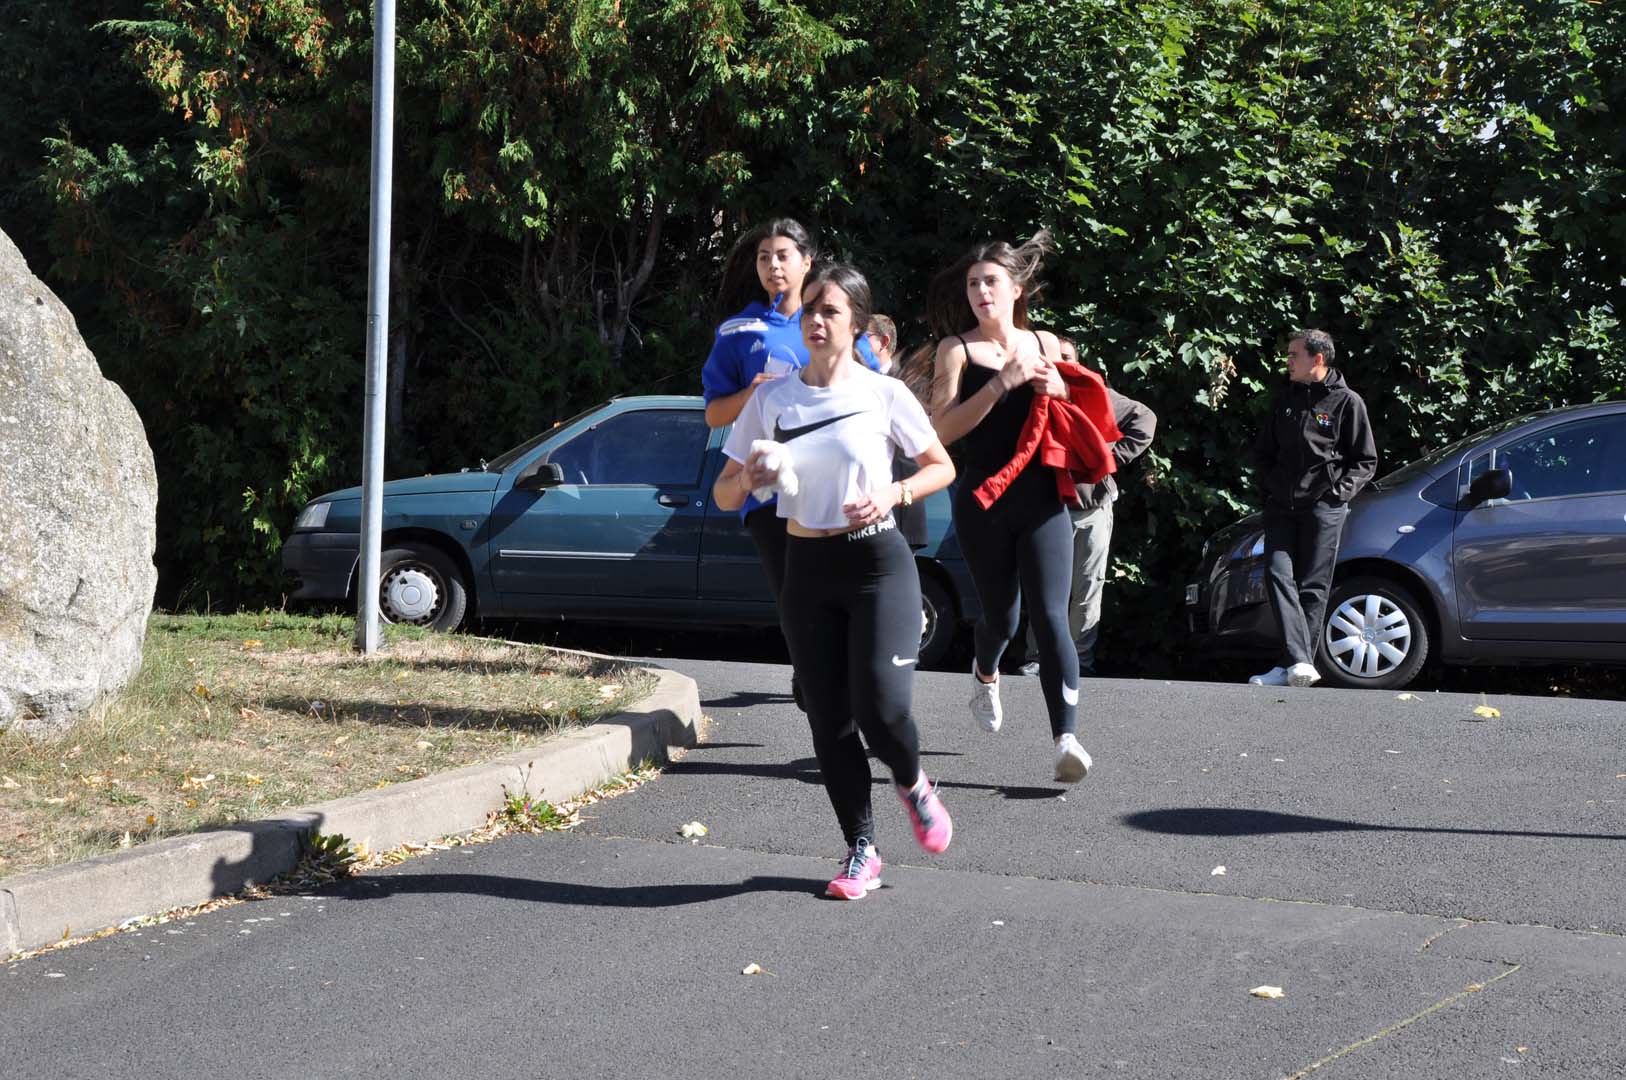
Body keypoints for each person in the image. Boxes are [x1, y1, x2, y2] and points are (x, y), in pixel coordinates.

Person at [713, 263, 957, 900]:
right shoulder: (772, 398)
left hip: (878, 563)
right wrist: (749, 482)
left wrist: (895, 492)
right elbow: (721, 491)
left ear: (855, 324)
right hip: (807, 569)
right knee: (829, 719)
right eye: (810, 311)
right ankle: (861, 850)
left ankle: (912, 782)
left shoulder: (883, 394)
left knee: (883, 708)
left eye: (831, 312)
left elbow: (941, 467)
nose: (817, 321)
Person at [926, 234, 1109, 784]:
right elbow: (941, 430)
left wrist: (1060, 387)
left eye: (991, 282)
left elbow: (1086, 414)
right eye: (973, 283)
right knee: (1001, 617)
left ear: (1016, 289)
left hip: (1042, 498)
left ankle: (1067, 739)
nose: (981, 292)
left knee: (1053, 617)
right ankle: (985, 673)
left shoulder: (1048, 342)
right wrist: (1001, 384)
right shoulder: (955, 350)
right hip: (983, 500)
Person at [700, 218, 880, 709]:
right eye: (763, 257)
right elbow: (714, 413)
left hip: (837, 484)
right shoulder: (739, 330)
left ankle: (840, 674)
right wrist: (752, 393)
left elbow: (876, 390)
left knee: (846, 590)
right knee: (794, 595)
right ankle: (813, 673)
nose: (773, 265)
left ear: (807, 261)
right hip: (768, 490)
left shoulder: (838, 318)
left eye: (783, 255)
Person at [1017, 339, 1157, 677]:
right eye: (1055, 357)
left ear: (1077, 362)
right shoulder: (1029, 395)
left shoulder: (1095, 394)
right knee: (1045, 587)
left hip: (1092, 507)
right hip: (1048, 508)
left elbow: (1145, 420)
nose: (1061, 362)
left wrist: (1106, 458)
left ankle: (1079, 661)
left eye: (1067, 357)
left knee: (1086, 588)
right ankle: (1039, 658)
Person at [1248, 329, 1377, 687]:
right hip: (1281, 505)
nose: (1287, 362)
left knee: (1313, 585)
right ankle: (1297, 661)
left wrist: (1336, 495)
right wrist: (1270, 487)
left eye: (1294, 355)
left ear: (1317, 359)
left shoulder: (1347, 402)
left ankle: (1291, 664)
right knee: (1276, 573)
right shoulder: (1284, 399)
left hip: (1324, 507)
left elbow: (1365, 460)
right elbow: (1263, 453)